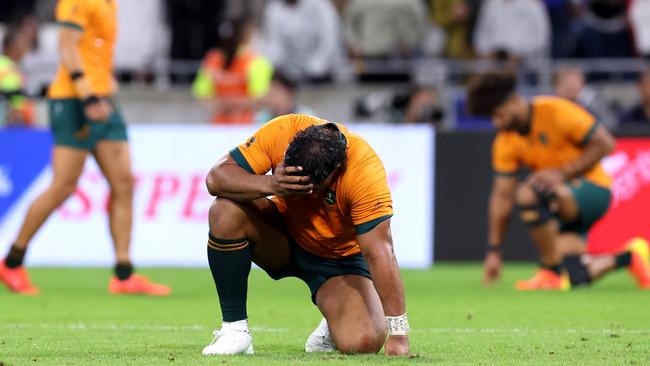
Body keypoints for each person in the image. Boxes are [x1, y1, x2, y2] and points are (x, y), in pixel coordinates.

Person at [201, 114, 410, 355]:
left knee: (363, 341)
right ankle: (234, 331)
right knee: (225, 211)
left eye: (309, 188)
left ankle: (332, 325)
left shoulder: (364, 171)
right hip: (280, 236)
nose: (300, 194)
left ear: (336, 171)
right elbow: (215, 178)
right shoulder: (282, 129)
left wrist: (399, 334)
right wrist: (272, 185)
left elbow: (380, 253)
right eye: (294, 182)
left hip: (339, 261)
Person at [0, 0, 170, 296]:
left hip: (104, 99)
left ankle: (123, 274)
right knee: (63, 186)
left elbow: (97, 50)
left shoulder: (109, 3)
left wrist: (106, 86)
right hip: (75, 100)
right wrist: (88, 96)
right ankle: (12, 263)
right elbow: (67, 48)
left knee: (124, 183)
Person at [466, 71, 650, 290]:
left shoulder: (555, 110)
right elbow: (502, 196)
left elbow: (606, 144)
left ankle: (549, 271)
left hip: (593, 191)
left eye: (498, 115)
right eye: (491, 118)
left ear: (514, 101)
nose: (496, 123)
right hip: (559, 203)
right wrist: (494, 251)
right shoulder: (505, 141)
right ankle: (630, 257)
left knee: (529, 192)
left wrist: (563, 173)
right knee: (573, 278)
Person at [192, 16, 273, 124]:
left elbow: (201, 94)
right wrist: (232, 104)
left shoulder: (213, 58)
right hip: (235, 126)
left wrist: (225, 103)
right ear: (247, 36)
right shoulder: (256, 61)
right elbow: (262, 97)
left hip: (235, 124)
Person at [473, 0, 551, 61]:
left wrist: (521, 54)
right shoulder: (490, 5)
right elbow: (480, 35)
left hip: (526, 66)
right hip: (493, 64)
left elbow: (541, 38)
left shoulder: (532, 5)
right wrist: (487, 53)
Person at [0, 19, 37, 127]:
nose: (25, 46)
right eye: (21, 42)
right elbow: (11, 96)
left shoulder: (13, 65)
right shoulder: (5, 66)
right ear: (11, 46)